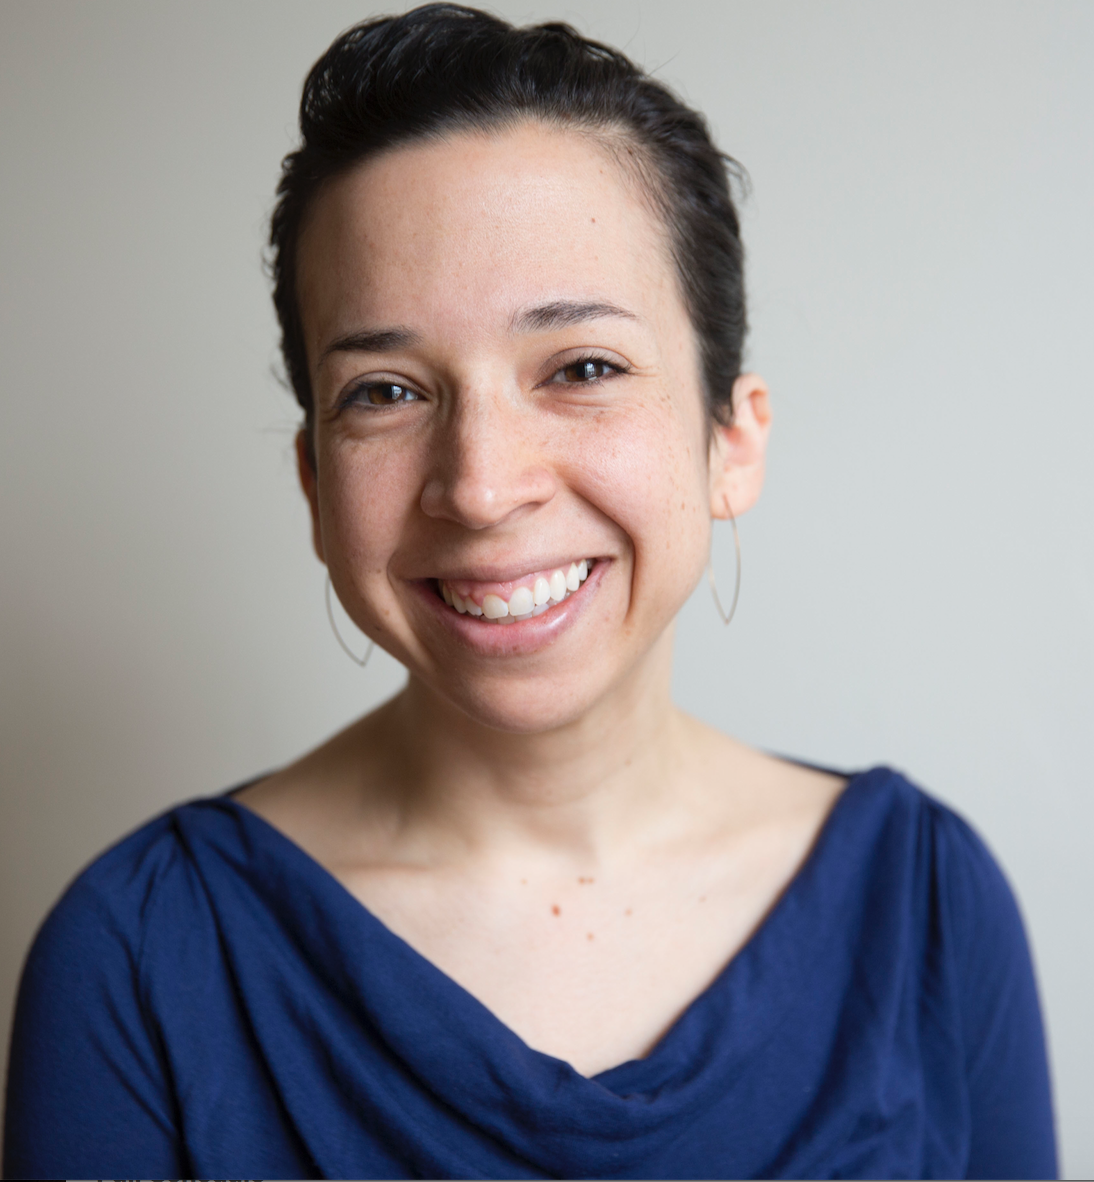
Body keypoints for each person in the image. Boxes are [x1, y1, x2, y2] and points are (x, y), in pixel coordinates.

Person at [3, 5, 1056, 1178]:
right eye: (385, 393)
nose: (482, 486)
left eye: (582, 368)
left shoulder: (922, 905)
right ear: (312, 480)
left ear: (730, 440)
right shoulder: (140, 955)